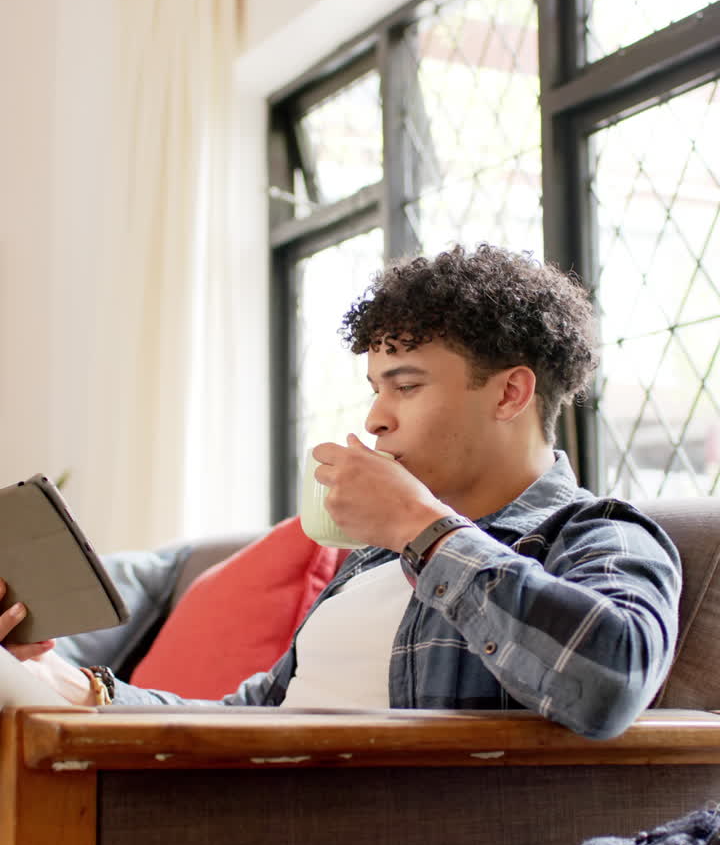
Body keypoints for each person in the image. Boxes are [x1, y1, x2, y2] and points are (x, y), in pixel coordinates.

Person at [1, 244, 681, 737]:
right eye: (375, 389)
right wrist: (72, 688)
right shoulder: (373, 561)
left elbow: (608, 684)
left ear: (510, 392)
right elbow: (253, 721)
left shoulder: (600, 534)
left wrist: (422, 527)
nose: (375, 418)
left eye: (406, 386)